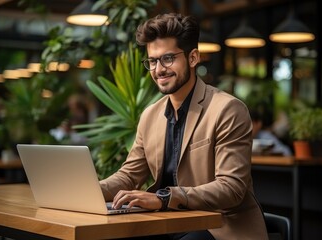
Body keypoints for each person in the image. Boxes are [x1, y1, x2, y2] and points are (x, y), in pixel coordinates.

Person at [99, 13, 268, 240]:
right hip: (166, 225)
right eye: (152, 61)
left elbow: (231, 188)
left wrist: (164, 198)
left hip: (220, 226)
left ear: (193, 58)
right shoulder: (150, 115)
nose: (159, 69)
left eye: (168, 58)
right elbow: (129, 176)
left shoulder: (228, 109)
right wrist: (90, 189)